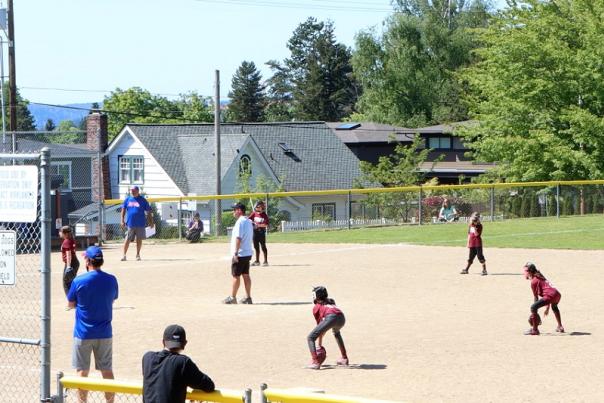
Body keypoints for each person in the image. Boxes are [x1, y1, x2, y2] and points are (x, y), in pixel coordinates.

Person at [67, 246, 119, 403]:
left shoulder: (79, 280)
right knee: (107, 370)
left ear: (88, 261)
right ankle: (110, 401)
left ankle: (82, 402)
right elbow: (113, 297)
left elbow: (70, 303)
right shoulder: (111, 279)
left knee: (82, 371)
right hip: (104, 333)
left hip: (83, 333)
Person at [142, 324, 215, 403]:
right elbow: (209, 386)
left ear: (163, 342)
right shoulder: (183, 362)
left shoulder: (147, 358)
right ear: (185, 343)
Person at [306, 286, 349, 370]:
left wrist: (319, 346)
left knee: (310, 337)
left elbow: (320, 328)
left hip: (331, 317)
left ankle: (315, 362)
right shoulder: (331, 301)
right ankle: (344, 358)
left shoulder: (316, 307)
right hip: (341, 318)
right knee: (336, 333)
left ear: (316, 296)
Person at [223, 203, 254, 304]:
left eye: (235, 209)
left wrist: (235, 253)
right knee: (246, 275)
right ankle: (248, 297)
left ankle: (233, 297)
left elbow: (238, 238)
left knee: (236, 276)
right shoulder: (249, 221)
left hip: (240, 253)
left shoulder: (240, 222)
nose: (233, 212)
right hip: (247, 252)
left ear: (240, 211)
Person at [523, 263, 564, 335]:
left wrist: (534, 312)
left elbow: (536, 298)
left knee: (533, 307)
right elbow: (547, 293)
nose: (524, 273)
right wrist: (547, 308)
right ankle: (560, 326)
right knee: (554, 307)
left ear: (530, 271)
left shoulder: (534, 281)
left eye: (526, 271)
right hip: (557, 294)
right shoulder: (539, 276)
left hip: (551, 295)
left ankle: (535, 330)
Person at [120, 185, 153, 261]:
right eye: (131, 190)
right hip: (130, 223)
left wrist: (151, 222)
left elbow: (148, 212)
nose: (132, 191)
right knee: (127, 239)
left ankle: (138, 255)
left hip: (140, 223)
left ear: (138, 191)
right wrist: (122, 220)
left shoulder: (143, 200)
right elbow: (123, 210)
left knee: (139, 239)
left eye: (134, 190)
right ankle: (124, 255)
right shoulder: (127, 199)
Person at [59, 225, 80, 296]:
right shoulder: (71, 239)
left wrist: (68, 266)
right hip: (74, 262)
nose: (59, 233)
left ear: (65, 233)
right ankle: (75, 298)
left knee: (66, 282)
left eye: (60, 232)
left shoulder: (66, 241)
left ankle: (70, 300)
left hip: (71, 263)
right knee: (71, 282)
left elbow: (69, 254)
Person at [248, 200, 269, 266]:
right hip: (255, 232)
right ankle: (257, 261)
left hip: (261, 232)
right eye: (256, 207)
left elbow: (266, 224)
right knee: (256, 247)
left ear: (261, 207)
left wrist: (259, 225)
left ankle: (265, 261)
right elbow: (249, 219)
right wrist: (251, 222)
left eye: (258, 207)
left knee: (263, 246)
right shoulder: (254, 213)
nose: (256, 208)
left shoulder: (264, 215)